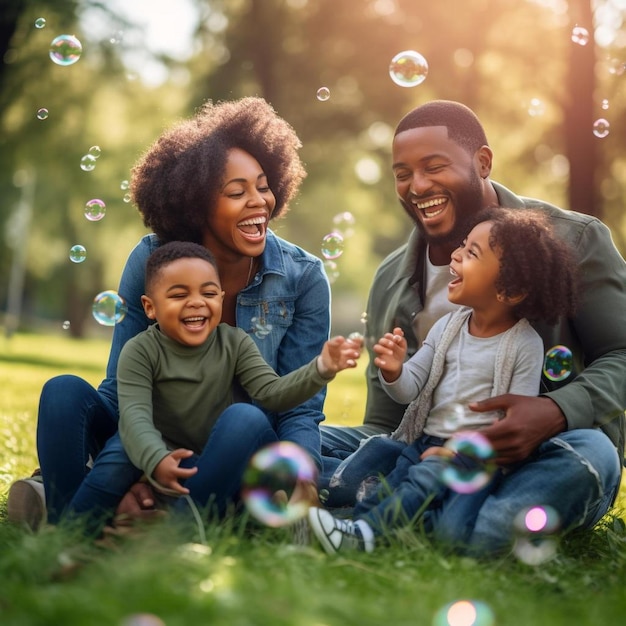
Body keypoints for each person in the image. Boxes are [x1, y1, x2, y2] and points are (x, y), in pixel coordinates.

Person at [9, 96, 333, 529]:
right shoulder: (152, 263)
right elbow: (120, 389)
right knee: (64, 391)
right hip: (150, 439)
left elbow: (298, 410)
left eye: (263, 185)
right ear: (196, 205)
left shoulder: (303, 277)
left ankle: (160, 526)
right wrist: (143, 463)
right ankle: (72, 523)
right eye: (237, 192)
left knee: (244, 418)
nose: (260, 202)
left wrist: (302, 472)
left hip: (237, 447)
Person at [320, 100, 625, 555]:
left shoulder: (574, 240)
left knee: (592, 455)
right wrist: (393, 375)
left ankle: (398, 517)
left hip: (532, 456)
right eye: (402, 173)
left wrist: (556, 411)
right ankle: (431, 516)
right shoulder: (390, 277)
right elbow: (385, 424)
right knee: (300, 441)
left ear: (482, 162)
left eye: (434, 166)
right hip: (424, 447)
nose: (417, 186)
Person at [308, 208, 580, 553]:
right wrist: (394, 370)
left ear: (509, 290)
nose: (455, 254)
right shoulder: (447, 328)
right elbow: (410, 389)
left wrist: (456, 451)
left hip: (477, 456)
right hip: (425, 441)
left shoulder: (524, 345)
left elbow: (515, 424)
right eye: (463, 245)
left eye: (471, 252)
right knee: (386, 488)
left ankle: (365, 534)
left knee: (439, 512)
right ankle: (359, 532)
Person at [66, 241, 359, 535]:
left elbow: (273, 393)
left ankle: (170, 536)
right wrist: (156, 459)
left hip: (231, 457)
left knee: (245, 417)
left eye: (208, 293)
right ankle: (69, 535)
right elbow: (135, 416)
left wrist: (320, 369)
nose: (196, 302)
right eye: (179, 294)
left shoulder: (235, 342)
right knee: (117, 445)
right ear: (149, 307)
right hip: (174, 458)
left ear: (220, 298)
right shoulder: (140, 350)